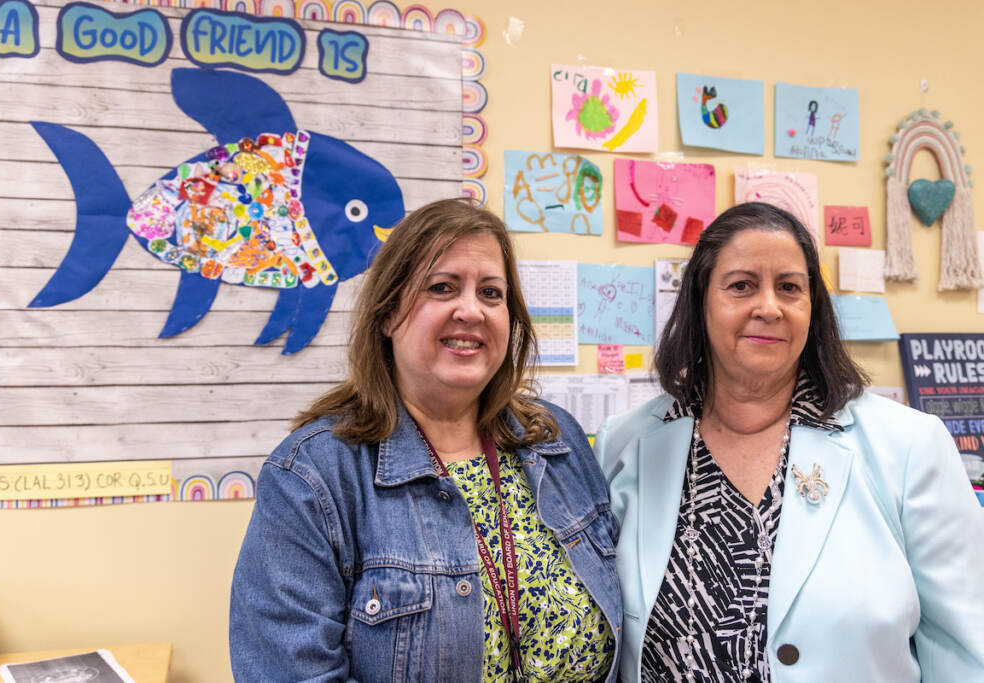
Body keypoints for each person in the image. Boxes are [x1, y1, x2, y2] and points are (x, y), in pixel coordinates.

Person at [230, 198, 622, 682]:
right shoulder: (312, 478)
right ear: (389, 313)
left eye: (492, 293)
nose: (471, 311)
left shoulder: (555, 440)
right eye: (442, 287)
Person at [597, 201, 984, 682]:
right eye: (741, 286)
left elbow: (965, 652)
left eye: (789, 288)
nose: (768, 307)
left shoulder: (909, 447)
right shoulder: (626, 445)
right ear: (701, 300)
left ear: (812, 307)